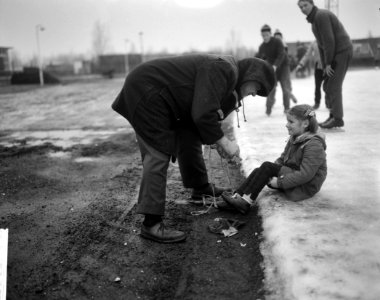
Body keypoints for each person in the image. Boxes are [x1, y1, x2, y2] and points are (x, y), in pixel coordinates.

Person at [112, 54, 275, 243]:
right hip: (147, 91)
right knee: (158, 153)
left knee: (189, 135)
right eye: (257, 88)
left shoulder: (228, 77)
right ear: (251, 76)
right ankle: (151, 223)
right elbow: (203, 114)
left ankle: (201, 188)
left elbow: (201, 114)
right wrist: (224, 141)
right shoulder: (224, 69)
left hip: (163, 97)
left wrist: (217, 140)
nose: (254, 94)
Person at [219, 104, 327, 214]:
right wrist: (270, 173)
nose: (287, 125)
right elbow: (283, 158)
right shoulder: (295, 138)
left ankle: (245, 202)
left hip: (305, 187)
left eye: (291, 122)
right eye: (287, 121)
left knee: (267, 167)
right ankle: (238, 197)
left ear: (305, 124)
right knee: (260, 170)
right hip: (293, 178)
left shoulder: (314, 145)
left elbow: (306, 175)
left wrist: (279, 182)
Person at [297, 0, 353, 129]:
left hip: (342, 50)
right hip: (335, 53)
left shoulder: (321, 16)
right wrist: (324, 66)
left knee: (333, 85)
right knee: (327, 85)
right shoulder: (314, 23)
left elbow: (329, 41)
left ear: (312, 4)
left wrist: (328, 63)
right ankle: (333, 116)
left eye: (305, 5)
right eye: (300, 7)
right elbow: (321, 46)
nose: (303, 9)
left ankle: (338, 119)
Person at [256, 24, 290, 116]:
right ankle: (268, 109)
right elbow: (260, 59)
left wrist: (275, 65)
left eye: (267, 35)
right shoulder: (262, 47)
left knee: (285, 88)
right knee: (271, 88)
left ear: (270, 34)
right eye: (263, 36)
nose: (265, 37)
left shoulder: (277, 41)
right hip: (272, 69)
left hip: (283, 67)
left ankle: (287, 109)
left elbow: (281, 54)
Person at [296, 40, 326, 110]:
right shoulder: (314, 43)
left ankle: (329, 102)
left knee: (327, 86)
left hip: (328, 66)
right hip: (318, 66)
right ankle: (317, 103)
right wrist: (301, 63)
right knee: (317, 86)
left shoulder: (327, 39)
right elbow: (307, 54)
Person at [273, 29, 298, 105]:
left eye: (279, 36)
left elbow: (285, 58)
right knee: (273, 87)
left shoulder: (284, 45)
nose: (277, 37)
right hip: (276, 68)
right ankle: (273, 100)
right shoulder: (273, 45)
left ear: (281, 37)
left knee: (286, 86)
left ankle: (290, 95)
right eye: (276, 36)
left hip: (283, 67)